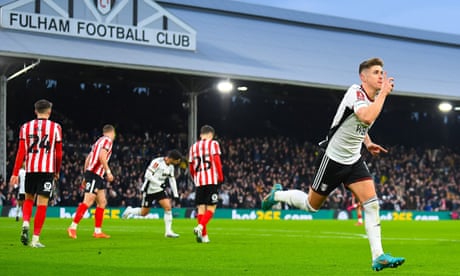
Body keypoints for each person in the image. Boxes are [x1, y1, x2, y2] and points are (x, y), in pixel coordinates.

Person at [261, 58, 405, 271]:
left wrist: (368, 142)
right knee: (312, 206)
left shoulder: (372, 99)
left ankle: (379, 255)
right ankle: (277, 195)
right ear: (363, 77)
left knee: (372, 203)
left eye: (382, 72)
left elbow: (358, 125)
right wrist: (384, 93)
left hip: (354, 160)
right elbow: (365, 117)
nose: (381, 76)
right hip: (333, 160)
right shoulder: (355, 92)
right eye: (376, 72)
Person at [9, 99, 63, 248]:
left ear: (35, 111)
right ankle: (35, 240)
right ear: (49, 111)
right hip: (47, 170)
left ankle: (26, 222)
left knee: (28, 199)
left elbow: (21, 152)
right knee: (42, 204)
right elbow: (58, 154)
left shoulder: (25, 127)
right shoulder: (56, 127)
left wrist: (15, 173)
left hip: (30, 169)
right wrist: (57, 170)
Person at [67, 124, 116, 239]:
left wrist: (85, 175)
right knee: (88, 201)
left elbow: (88, 158)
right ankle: (72, 227)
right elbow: (102, 156)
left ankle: (97, 231)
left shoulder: (98, 142)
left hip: (95, 174)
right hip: (95, 173)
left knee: (102, 202)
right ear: (112, 132)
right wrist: (108, 171)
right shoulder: (108, 141)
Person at [122, 149, 183, 238]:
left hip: (159, 190)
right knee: (144, 213)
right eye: (177, 160)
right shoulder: (157, 162)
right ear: (172, 158)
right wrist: (159, 183)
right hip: (149, 190)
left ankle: (168, 231)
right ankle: (130, 210)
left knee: (168, 207)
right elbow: (147, 175)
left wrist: (176, 195)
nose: (178, 163)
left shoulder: (171, 167)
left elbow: (172, 180)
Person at [189, 125, 224, 243]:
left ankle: (204, 237)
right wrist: (220, 176)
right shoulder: (213, 144)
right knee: (212, 208)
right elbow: (216, 160)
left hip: (199, 181)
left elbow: (191, 166)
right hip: (211, 180)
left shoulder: (193, 147)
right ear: (210, 135)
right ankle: (200, 227)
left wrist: (195, 178)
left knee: (201, 209)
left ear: (200, 134)